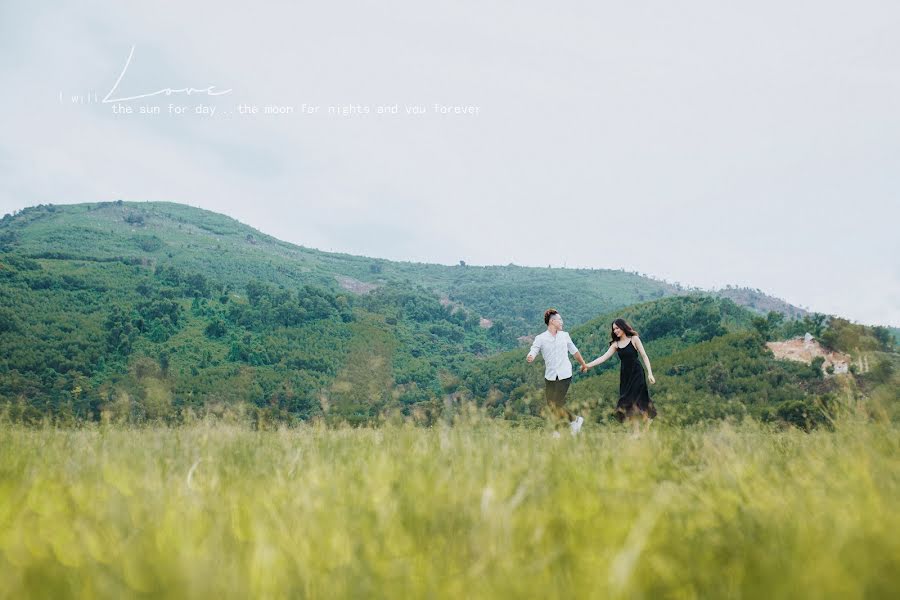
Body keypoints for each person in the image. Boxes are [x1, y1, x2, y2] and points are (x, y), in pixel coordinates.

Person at [585, 318, 657, 433]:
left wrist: (650, 373)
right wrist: (587, 365)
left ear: (623, 327)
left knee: (638, 400)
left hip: (637, 373)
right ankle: (638, 430)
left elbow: (644, 355)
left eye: (617, 328)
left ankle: (644, 425)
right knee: (626, 403)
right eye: (614, 329)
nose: (615, 331)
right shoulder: (616, 344)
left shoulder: (634, 339)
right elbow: (603, 358)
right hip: (625, 377)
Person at [526, 309, 587, 435]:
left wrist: (583, 364)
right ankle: (575, 420)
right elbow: (534, 349)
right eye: (560, 320)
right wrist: (530, 356)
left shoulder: (565, 336)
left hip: (565, 374)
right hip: (550, 376)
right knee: (551, 405)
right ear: (552, 321)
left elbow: (574, 351)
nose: (562, 322)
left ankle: (556, 432)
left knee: (557, 403)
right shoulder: (541, 338)